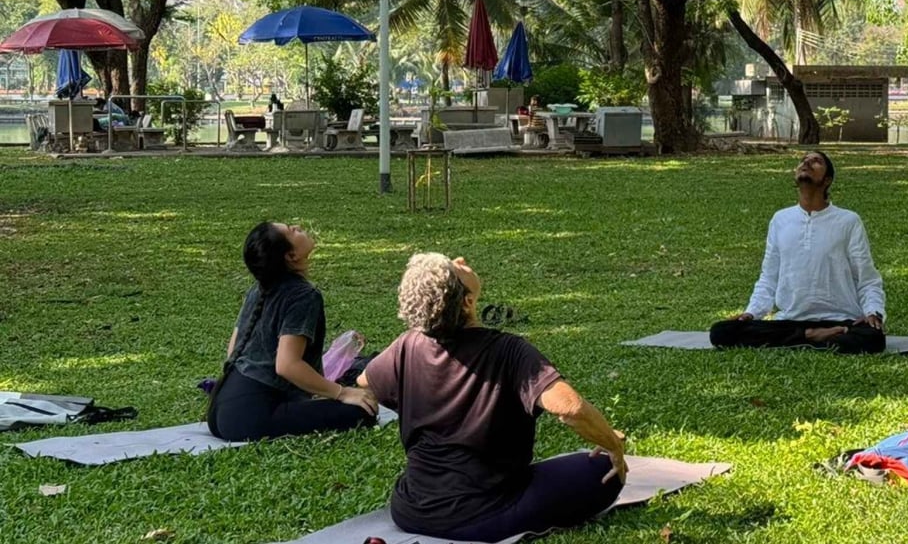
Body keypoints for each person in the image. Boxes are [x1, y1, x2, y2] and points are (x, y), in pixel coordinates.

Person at [359, 253, 627, 543]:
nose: (460, 260)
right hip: (484, 513)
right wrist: (611, 443)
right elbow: (570, 408)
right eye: (455, 267)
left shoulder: (407, 344)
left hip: (411, 509)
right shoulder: (508, 351)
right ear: (467, 302)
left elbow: (366, 382)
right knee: (602, 470)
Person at [207, 222, 378, 442]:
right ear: (291, 255)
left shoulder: (259, 288)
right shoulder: (303, 295)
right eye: (291, 230)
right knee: (365, 410)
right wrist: (342, 392)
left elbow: (233, 351)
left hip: (220, 408)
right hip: (249, 416)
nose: (298, 227)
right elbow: (286, 365)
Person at [709, 150, 887, 354]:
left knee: (873, 338)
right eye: (804, 160)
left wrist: (874, 312)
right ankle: (811, 336)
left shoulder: (848, 221)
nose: (807, 163)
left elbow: (867, 277)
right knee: (720, 332)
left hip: (840, 319)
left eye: (816, 161)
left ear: (827, 180)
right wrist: (751, 313)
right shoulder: (780, 220)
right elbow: (769, 277)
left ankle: (805, 338)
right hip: (791, 321)